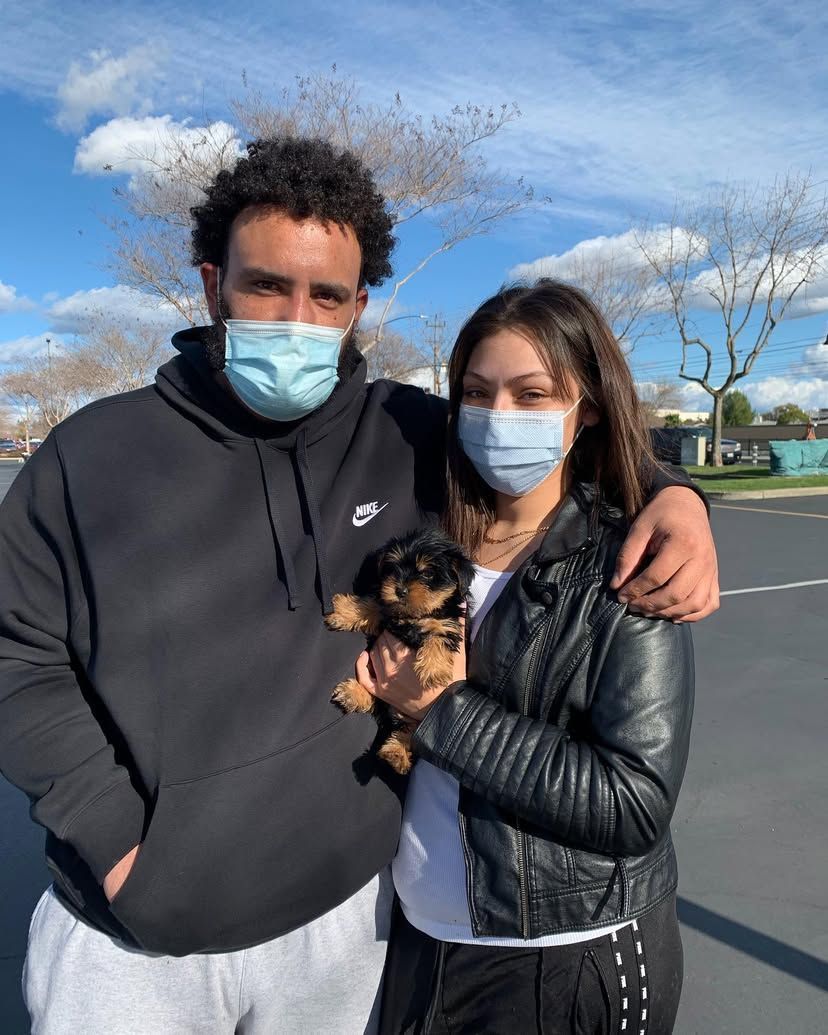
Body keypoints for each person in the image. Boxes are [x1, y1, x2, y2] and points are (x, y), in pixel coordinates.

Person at [0, 139, 715, 1035]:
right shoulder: (92, 453)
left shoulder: (409, 433)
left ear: (359, 306)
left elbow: (554, 440)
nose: (296, 318)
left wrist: (677, 497)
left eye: (327, 295)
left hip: (347, 928)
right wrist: (113, 839)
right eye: (266, 285)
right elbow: (16, 652)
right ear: (213, 285)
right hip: (134, 943)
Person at [361, 281, 697, 1034]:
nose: (499, 416)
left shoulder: (627, 566)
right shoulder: (427, 534)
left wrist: (441, 711)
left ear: (589, 407)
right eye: (477, 392)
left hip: (563, 958)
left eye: (533, 393)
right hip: (420, 937)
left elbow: (633, 803)